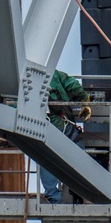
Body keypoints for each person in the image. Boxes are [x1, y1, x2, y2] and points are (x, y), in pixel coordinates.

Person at [40, 69, 89, 204]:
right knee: (78, 153)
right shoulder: (53, 74)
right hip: (62, 125)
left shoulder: (21, 76)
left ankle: (53, 198)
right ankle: (82, 190)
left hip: (42, 126)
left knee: (45, 158)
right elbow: (74, 87)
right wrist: (85, 99)